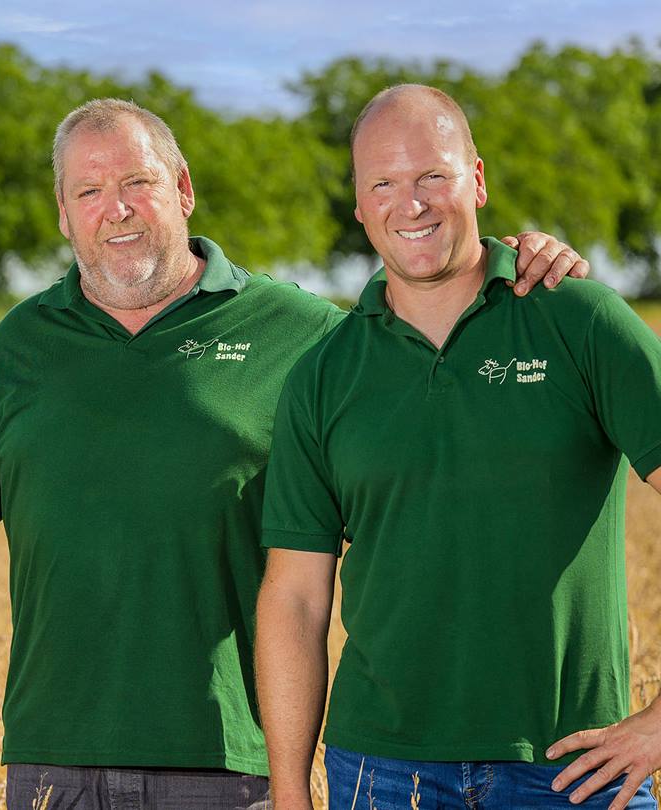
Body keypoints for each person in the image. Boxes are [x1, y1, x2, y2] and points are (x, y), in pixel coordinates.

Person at [0, 97, 585, 810]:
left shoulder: (304, 333)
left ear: (181, 190)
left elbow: (438, 361)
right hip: (53, 758)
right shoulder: (23, 342)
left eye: (135, 183)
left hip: (230, 760)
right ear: (62, 213)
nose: (114, 209)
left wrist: (522, 274)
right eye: (89, 191)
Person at [256, 84, 661, 810]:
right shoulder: (323, 374)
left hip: (572, 768)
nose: (409, 204)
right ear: (358, 203)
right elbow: (294, 597)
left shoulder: (581, 321)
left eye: (431, 177)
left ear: (476, 179)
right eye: (383, 183)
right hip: (381, 773)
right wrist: (289, 793)